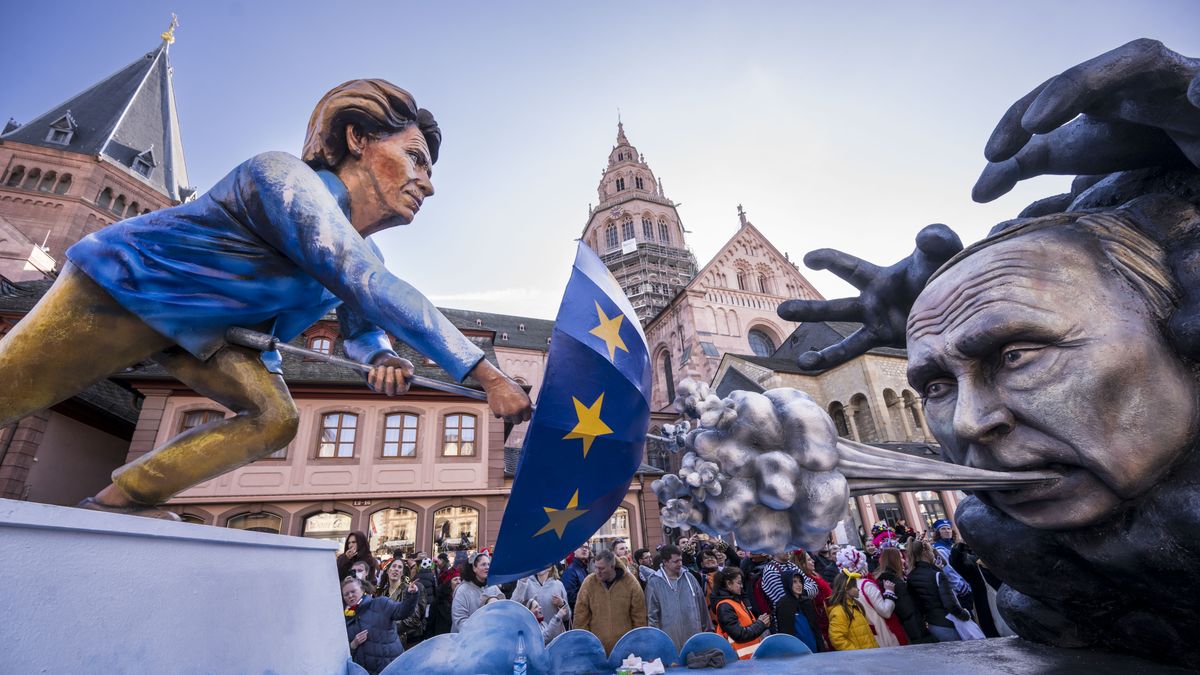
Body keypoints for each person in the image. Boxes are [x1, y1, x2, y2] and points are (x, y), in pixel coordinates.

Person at [0, 79, 533, 521]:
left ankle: (118, 503)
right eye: (416, 159)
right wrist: (487, 376)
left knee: (273, 418)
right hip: (133, 287)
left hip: (219, 337)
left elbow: (363, 329)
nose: (427, 184)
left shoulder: (364, 252)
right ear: (357, 139)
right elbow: (364, 281)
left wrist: (382, 358)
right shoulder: (284, 178)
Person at [573, 549, 647, 654]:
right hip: (596, 649)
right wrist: (584, 645)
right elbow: (580, 617)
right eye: (596, 568)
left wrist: (637, 644)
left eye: (601, 568)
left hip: (625, 649)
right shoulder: (589, 583)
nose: (597, 572)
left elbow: (639, 616)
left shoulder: (630, 583)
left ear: (612, 567)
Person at [343, 576, 418, 675]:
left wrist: (411, 595)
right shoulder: (344, 618)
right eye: (346, 594)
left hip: (391, 668)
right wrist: (353, 644)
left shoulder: (381, 603)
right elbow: (343, 653)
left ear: (362, 590)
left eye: (353, 591)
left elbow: (402, 612)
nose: (350, 595)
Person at [835, 546, 906, 647]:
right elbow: (885, 611)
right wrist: (889, 592)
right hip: (882, 636)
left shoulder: (844, 587)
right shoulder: (866, 585)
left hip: (866, 637)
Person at [644, 544, 711, 651]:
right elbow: (652, 616)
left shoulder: (689, 578)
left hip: (694, 640)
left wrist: (708, 632)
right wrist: (656, 642)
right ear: (665, 562)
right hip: (669, 642)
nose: (680, 564)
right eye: (675, 561)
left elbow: (702, 606)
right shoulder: (654, 583)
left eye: (680, 560)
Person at [905, 539, 967, 643]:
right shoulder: (936, 574)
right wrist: (965, 615)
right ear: (925, 552)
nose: (933, 554)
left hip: (932, 624)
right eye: (931, 550)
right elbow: (950, 604)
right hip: (948, 623)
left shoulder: (911, 576)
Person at [709, 566, 770, 660]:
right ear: (729, 584)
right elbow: (739, 635)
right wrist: (761, 624)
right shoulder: (725, 606)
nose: (741, 586)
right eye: (739, 583)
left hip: (748, 660)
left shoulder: (736, 601)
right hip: (739, 662)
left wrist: (760, 623)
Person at [875, 547, 931, 644]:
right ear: (893, 560)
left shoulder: (890, 578)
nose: (903, 561)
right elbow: (907, 609)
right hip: (913, 629)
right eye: (900, 558)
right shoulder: (894, 581)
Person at [826, 570, 878, 651]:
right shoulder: (839, 611)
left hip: (869, 655)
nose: (858, 589)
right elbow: (837, 639)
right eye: (855, 586)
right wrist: (856, 653)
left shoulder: (855, 606)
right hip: (861, 659)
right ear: (846, 588)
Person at [450, 551, 502, 633]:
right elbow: (459, 620)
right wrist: (479, 632)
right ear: (474, 568)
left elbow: (504, 609)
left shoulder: (493, 588)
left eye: (488, 564)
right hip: (466, 641)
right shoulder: (462, 590)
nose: (487, 567)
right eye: (483, 564)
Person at [775, 569, 820, 653]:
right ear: (787, 583)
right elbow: (786, 634)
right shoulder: (783, 605)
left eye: (800, 581)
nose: (799, 585)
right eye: (794, 582)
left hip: (813, 648)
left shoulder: (807, 602)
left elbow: (815, 628)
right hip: (797, 651)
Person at [561, 543, 591, 611]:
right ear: (574, 550)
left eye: (586, 547)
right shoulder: (571, 571)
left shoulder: (584, 569)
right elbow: (570, 597)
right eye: (581, 546)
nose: (584, 549)